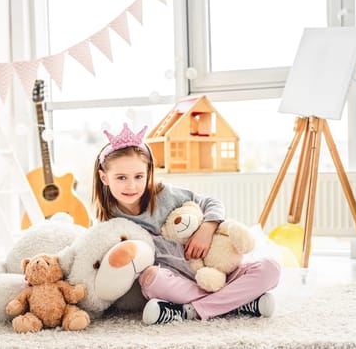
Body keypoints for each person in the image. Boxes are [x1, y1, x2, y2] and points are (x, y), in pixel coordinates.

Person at [92, 123, 281, 325]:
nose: (132, 185)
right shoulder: (110, 221)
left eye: (139, 176)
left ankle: (190, 311)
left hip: (216, 269)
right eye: (121, 178)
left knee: (271, 268)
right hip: (177, 283)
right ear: (105, 177)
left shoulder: (164, 195)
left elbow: (212, 203)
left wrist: (207, 229)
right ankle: (237, 304)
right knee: (150, 280)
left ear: (148, 173)